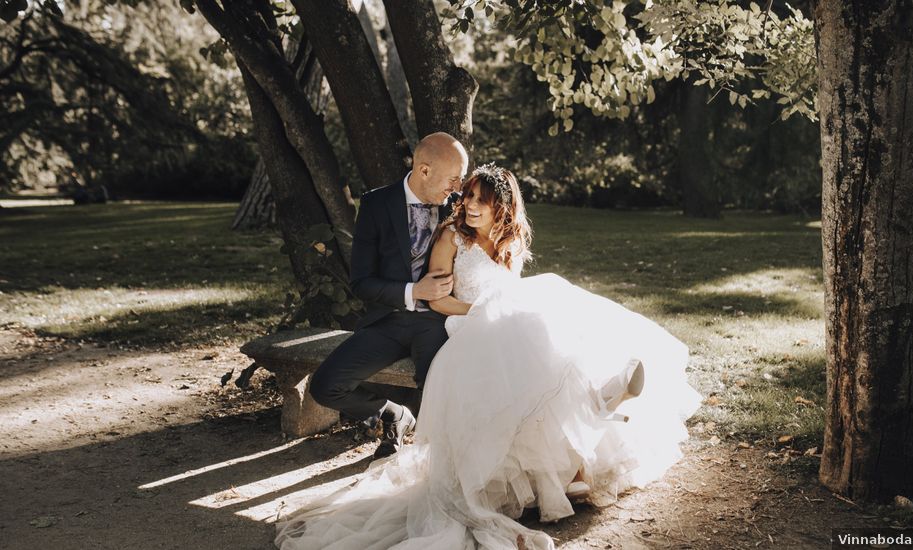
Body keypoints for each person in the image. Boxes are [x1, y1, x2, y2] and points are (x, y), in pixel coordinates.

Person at [277, 164, 702, 549]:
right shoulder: (451, 237)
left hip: (507, 326)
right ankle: (597, 408)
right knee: (529, 349)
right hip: (467, 326)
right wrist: (483, 312)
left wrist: (503, 311)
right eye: (468, 196)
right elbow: (440, 302)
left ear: (502, 207)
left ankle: (580, 449)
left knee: (549, 331)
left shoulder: (510, 240)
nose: (470, 204)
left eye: (482, 199)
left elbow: (510, 293)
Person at [308, 132, 469, 460]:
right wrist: (413, 291)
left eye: (461, 179)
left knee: (436, 386)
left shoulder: (460, 207)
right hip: (389, 320)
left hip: (439, 322)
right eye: (453, 179)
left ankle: (439, 467)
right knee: (325, 386)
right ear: (424, 171)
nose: (458, 188)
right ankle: (393, 414)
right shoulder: (377, 205)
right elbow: (362, 282)